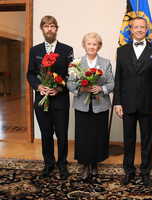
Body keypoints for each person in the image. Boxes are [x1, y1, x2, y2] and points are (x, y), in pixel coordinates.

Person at [114, 17, 152, 189]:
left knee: (147, 140)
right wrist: (117, 102)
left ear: (147, 29)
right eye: (136, 27)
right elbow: (118, 78)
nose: (140, 30)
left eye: (143, 27)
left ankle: (145, 172)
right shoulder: (121, 51)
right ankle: (128, 171)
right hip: (126, 103)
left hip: (148, 103)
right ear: (131, 29)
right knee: (128, 139)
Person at [27, 15, 73, 180]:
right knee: (46, 134)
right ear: (42, 29)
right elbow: (30, 74)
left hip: (60, 101)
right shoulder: (35, 50)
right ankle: (48, 164)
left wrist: (59, 88)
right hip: (41, 100)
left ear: (56, 28)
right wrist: (38, 86)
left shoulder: (67, 50)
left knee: (62, 134)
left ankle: (62, 164)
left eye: (52, 26)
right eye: (46, 26)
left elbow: (71, 75)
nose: (49, 29)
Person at [67, 32, 114, 181]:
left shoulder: (105, 63)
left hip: (100, 105)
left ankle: (95, 165)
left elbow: (112, 83)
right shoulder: (77, 62)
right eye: (89, 44)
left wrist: (100, 89)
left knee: (98, 137)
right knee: (84, 137)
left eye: (95, 44)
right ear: (84, 45)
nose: (92, 46)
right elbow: (69, 82)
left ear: (99, 46)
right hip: (82, 105)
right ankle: (86, 165)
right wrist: (81, 89)